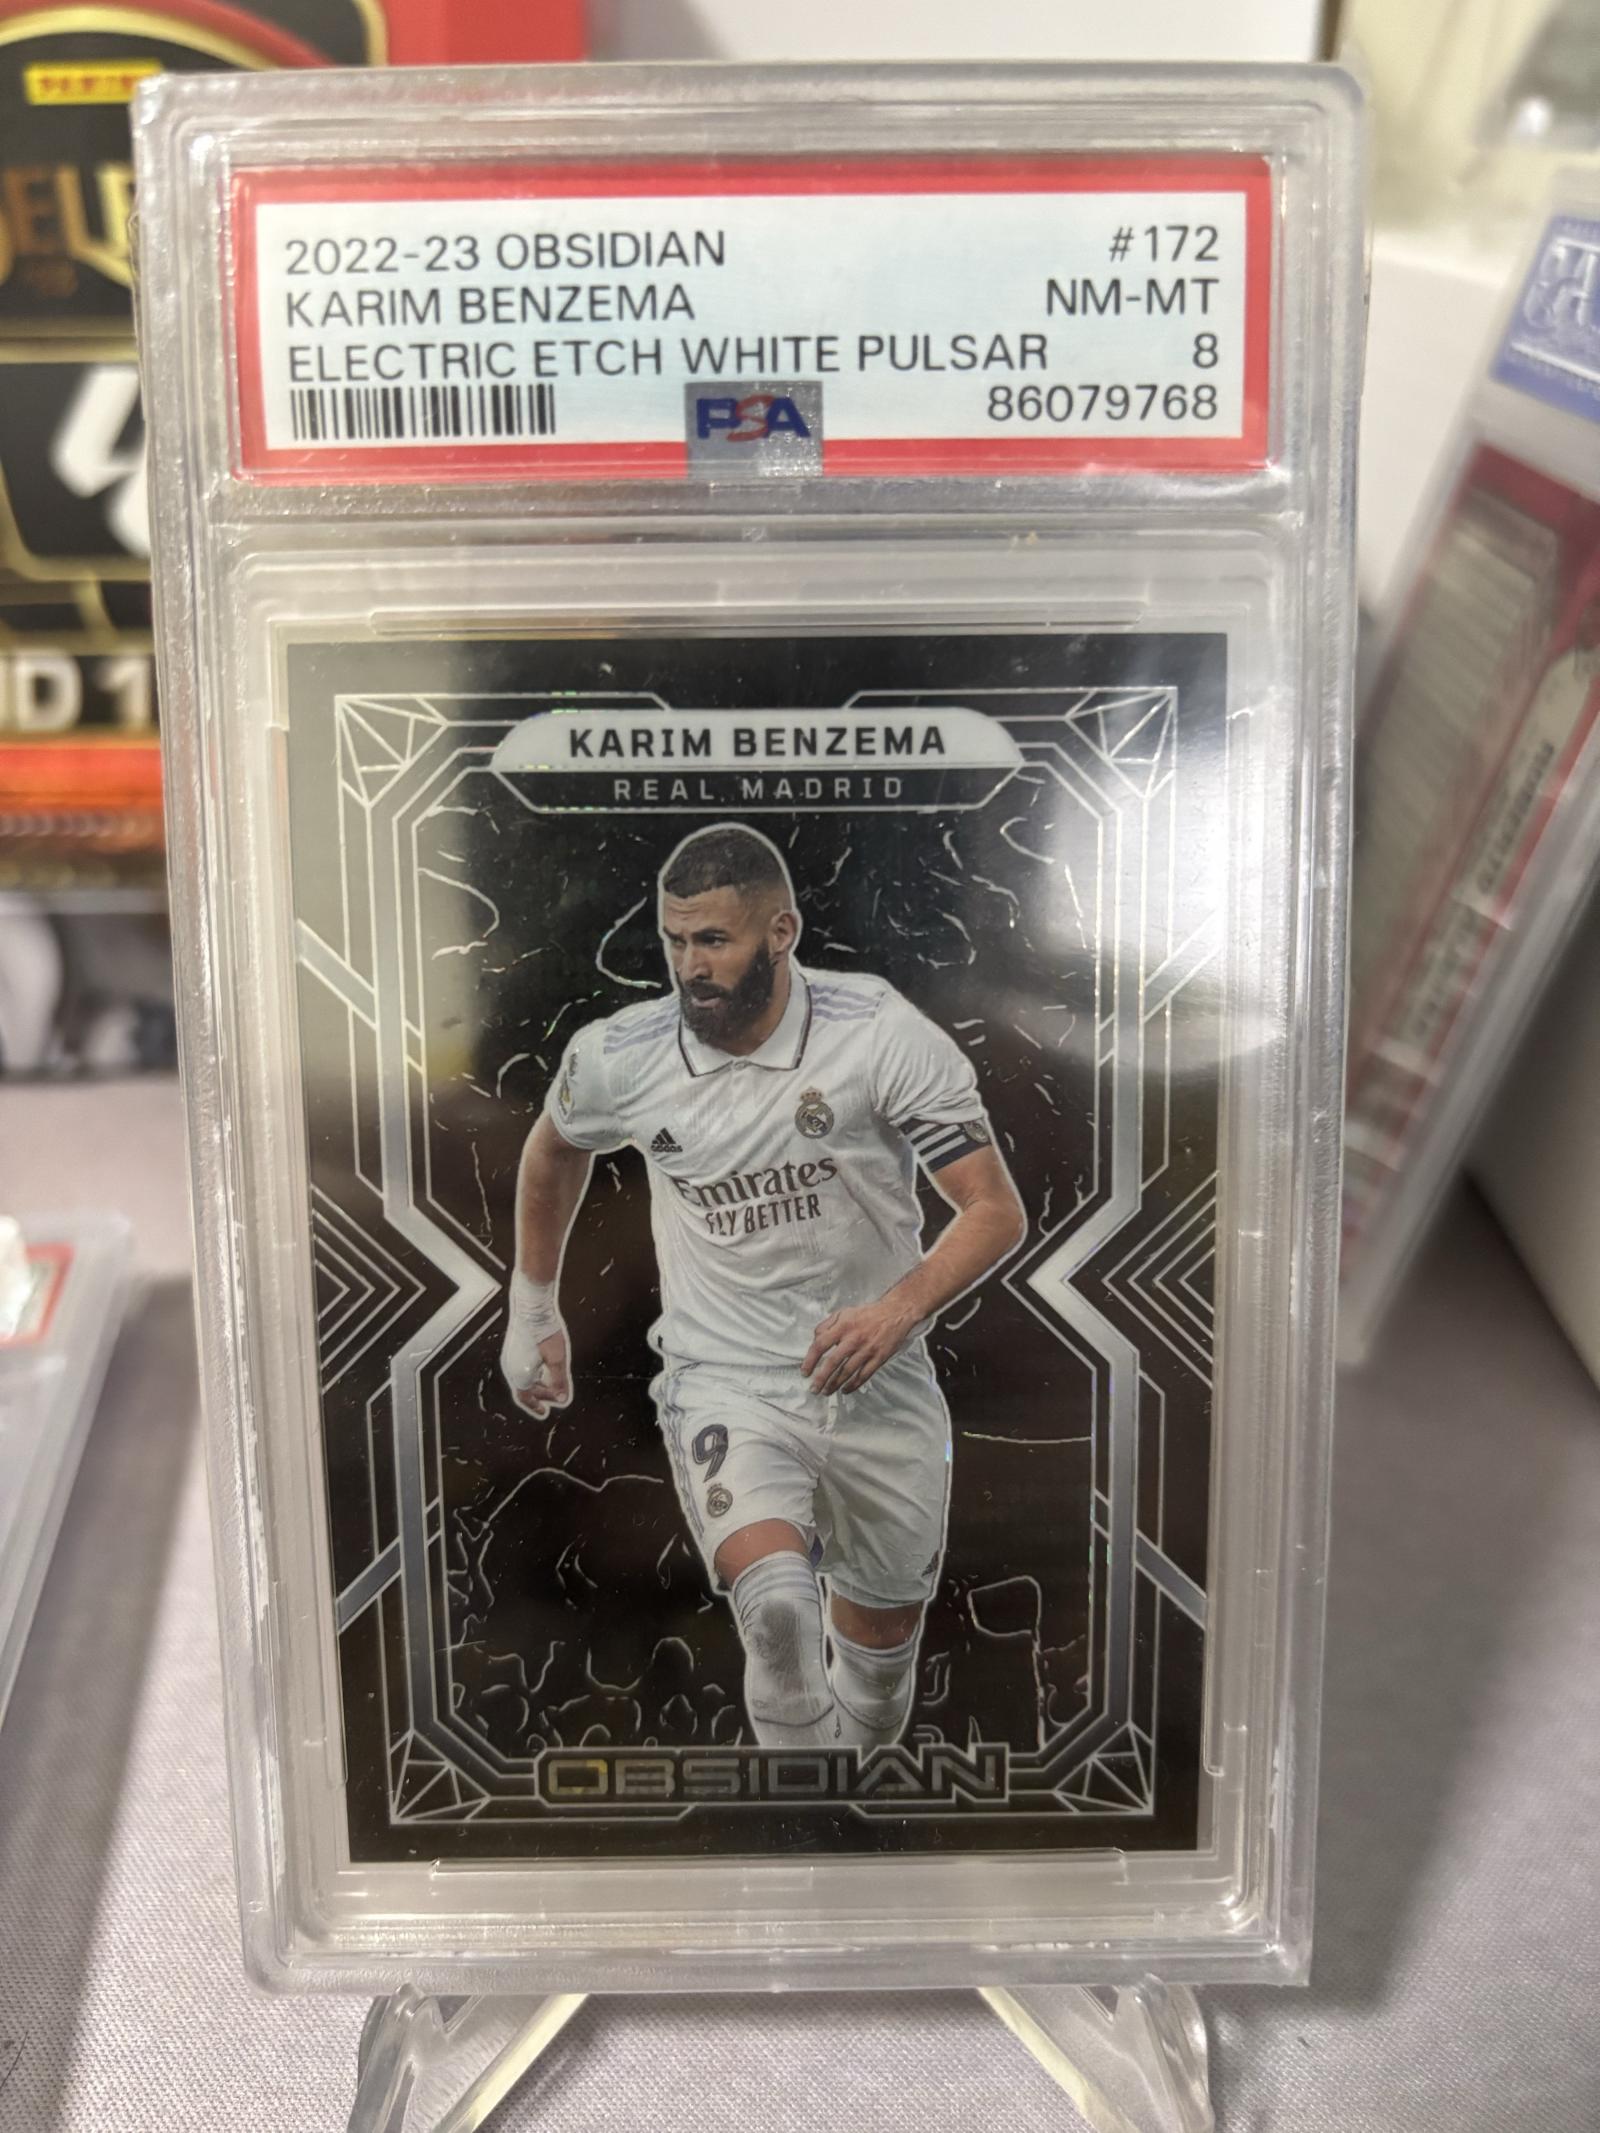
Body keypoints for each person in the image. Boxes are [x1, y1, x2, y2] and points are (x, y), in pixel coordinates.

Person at [501, 823, 1025, 1752]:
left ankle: (857, 1784)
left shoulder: (878, 1033)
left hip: (878, 1381)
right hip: (727, 1377)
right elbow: (553, 1150)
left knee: (879, 1663)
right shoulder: (621, 1054)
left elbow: (993, 1208)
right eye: (674, 940)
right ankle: (799, 1812)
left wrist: (898, 1309)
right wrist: (533, 1305)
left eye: (714, 939)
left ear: (780, 932)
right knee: (778, 1611)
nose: (689, 966)